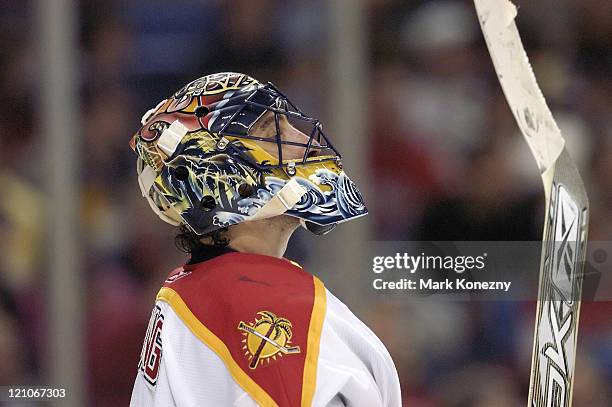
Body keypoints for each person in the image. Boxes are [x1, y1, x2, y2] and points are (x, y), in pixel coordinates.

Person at [129, 72, 401, 406]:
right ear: (219, 171)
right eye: (270, 130)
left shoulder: (190, 291)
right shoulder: (265, 303)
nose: (299, 138)